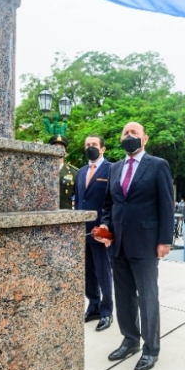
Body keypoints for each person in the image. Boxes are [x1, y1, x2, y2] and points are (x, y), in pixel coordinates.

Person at [95, 121, 175, 370]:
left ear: (145, 139)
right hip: (118, 245)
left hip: (146, 244)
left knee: (147, 297)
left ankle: (151, 349)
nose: (129, 136)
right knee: (124, 296)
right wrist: (106, 228)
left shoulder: (158, 166)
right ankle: (130, 340)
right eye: (125, 133)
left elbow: (167, 205)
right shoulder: (115, 168)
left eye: (134, 133)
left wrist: (164, 240)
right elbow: (109, 204)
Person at [75, 135, 113, 332]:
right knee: (88, 271)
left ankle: (107, 311)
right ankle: (94, 305)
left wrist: (108, 228)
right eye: (88, 144)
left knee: (104, 272)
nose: (91, 147)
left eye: (94, 145)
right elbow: (79, 200)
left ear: (103, 149)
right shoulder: (80, 172)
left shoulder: (111, 169)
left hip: (102, 230)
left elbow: (112, 202)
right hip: (82, 231)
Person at [49, 134, 78, 209]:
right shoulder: (41, 171)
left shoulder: (74, 172)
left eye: (61, 147)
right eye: (55, 147)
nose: (58, 149)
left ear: (65, 152)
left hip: (65, 214)